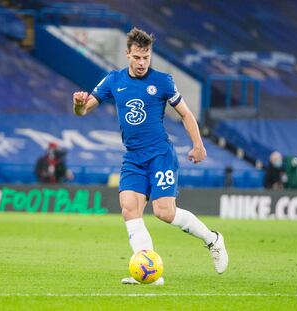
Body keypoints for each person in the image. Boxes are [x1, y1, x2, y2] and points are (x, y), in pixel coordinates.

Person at [72, 27, 228, 285]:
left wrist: (198, 144)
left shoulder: (163, 81)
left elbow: (187, 114)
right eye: (137, 57)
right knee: (129, 209)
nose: (142, 62)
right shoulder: (114, 80)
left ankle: (213, 239)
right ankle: (149, 272)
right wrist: (78, 105)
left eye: (146, 57)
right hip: (133, 157)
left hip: (160, 155)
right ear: (128, 54)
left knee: (164, 212)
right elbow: (83, 111)